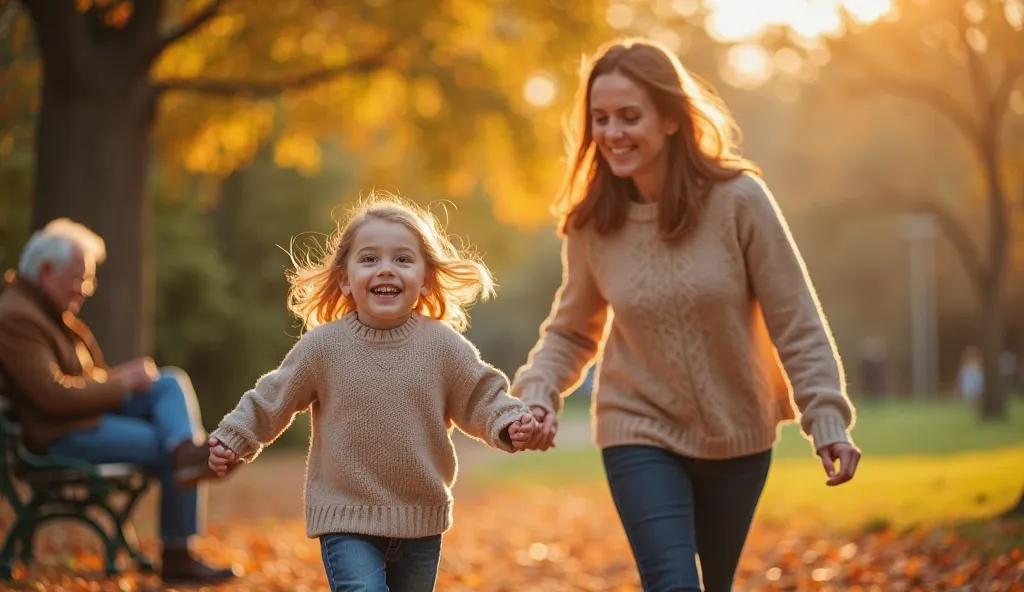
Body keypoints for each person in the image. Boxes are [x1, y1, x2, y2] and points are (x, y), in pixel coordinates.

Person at [510, 38, 861, 592]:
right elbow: (573, 328)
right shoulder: (592, 223)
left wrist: (826, 417)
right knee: (673, 582)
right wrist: (538, 393)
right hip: (637, 423)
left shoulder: (740, 200)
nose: (612, 133)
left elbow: (794, 317)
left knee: (712, 583)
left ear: (672, 118)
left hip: (737, 430)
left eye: (630, 116)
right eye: (600, 119)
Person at [207, 193, 536, 592]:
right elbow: (272, 396)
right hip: (345, 518)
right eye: (369, 259)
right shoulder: (323, 347)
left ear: (427, 277)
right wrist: (234, 437)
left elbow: (482, 396)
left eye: (402, 259)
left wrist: (508, 422)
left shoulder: (443, 346)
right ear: (345, 278)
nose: (385, 270)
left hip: (420, 517)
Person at [0, 218, 237, 585]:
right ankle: (178, 551)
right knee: (165, 446)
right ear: (47, 271)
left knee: (169, 381)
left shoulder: (44, 312)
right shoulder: (17, 316)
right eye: (79, 277)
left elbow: (79, 380)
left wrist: (122, 379)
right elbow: (51, 395)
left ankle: (185, 452)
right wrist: (120, 382)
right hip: (61, 435)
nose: (87, 288)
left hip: (84, 420)